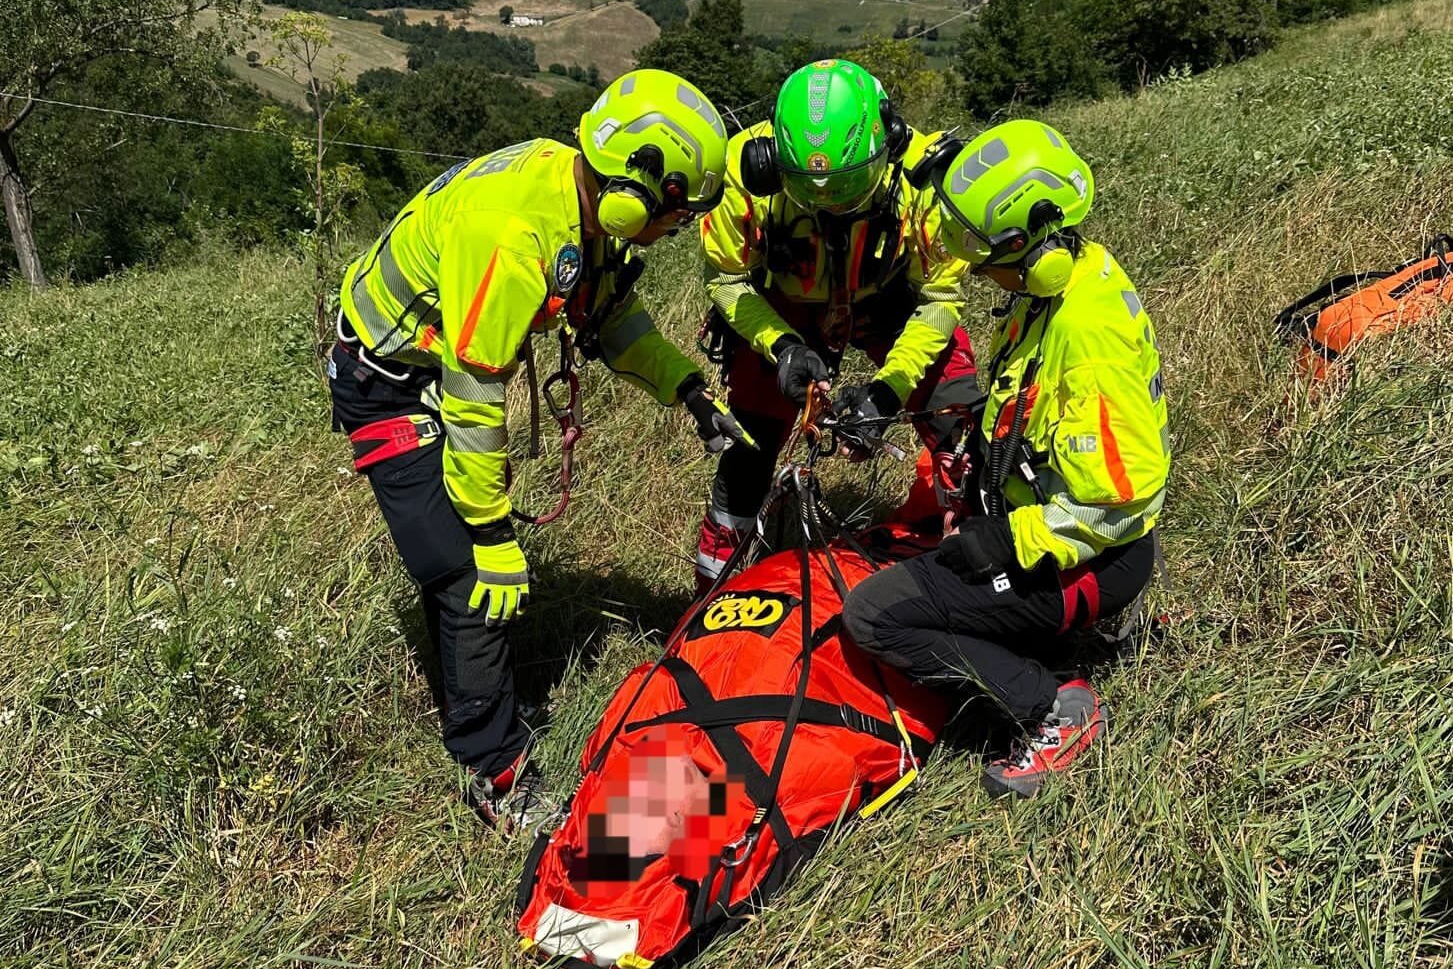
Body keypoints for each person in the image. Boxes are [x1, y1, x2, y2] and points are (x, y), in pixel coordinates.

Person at [331, 69, 745, 826]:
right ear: (636, 192)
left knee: (462, 561)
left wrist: (689, 391)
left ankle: (482, 699)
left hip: (435, 368)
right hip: (387, 382)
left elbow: (613, 320)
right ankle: (495, 772)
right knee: (464, 572)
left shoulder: (580, 199)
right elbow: (473, 396)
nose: (677, 231)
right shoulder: (513, 237)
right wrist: (491, 532)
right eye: (678, 215)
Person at [841, 119, 1170, 800]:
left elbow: (1120, 498)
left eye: (984, 255)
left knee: (874, 615)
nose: (976, 270)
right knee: (923, 563)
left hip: (1095, 557)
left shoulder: (1088, 336)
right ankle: (1055, 639)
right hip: (1062, 540)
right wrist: (977, 488)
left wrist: (1004, 541)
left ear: (1029, 247)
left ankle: (1056, 709)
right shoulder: (1062, 285)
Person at [694, 58, 980, 590]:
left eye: (850, 189)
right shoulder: (741, 172)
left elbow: (940, 297)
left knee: (958, 416)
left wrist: (888, 392)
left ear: (888, 141)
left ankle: (978, 551)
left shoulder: (927, 179)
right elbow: (727, 279)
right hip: (782, 302)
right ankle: (716, 580)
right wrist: (781, 346)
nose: (831, 207)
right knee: (752, 440)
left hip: (888, 295)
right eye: (809, 192)